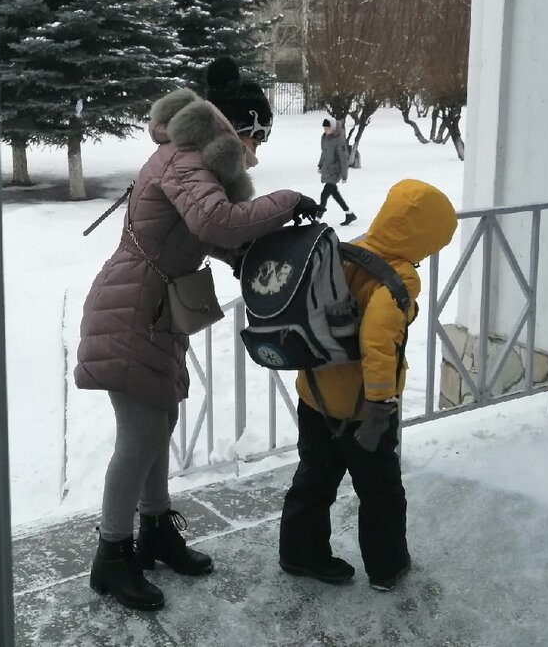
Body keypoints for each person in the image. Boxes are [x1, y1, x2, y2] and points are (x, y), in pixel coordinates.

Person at [76, 56, 324, 612]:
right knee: (140, 435)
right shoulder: (186, 159)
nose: (256, 151)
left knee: (159, 423)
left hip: (153, 306)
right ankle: (112, 555)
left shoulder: (187, 160)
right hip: (132, 307)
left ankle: (155, 530)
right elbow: (215, 221)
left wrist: (245, 254)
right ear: (235, 128)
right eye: (257, 137)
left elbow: (198, 232)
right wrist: (287, 201)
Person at [278, 179, 458, 591]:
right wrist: (379, 405)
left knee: (314, 479)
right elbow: (378, 342)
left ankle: (299, 553)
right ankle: (387, 566)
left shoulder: (345, 252)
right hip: (362, 410)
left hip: (314, 394)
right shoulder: (399, 278)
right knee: (381, 491)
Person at [317, 118, 356, 226]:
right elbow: (324, 152)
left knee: (324, 195)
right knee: (335, 194)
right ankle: (349, 214)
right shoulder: (324, 137)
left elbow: (344, 159)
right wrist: (320, 164)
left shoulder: (339, 139)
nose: (326, 130)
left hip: (335, 171)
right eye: (324, 128)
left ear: (333, 128)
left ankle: (317, 219)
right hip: (327, 169)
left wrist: (344, 175)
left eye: (328, 128)